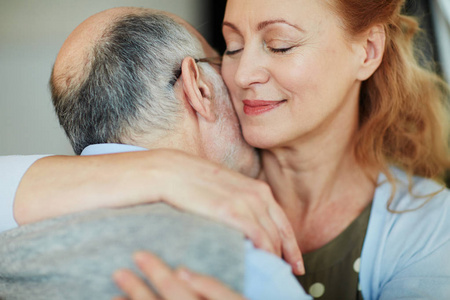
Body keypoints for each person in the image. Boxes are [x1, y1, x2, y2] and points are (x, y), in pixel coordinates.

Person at [1, 0, 450, 298]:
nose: (242, 72)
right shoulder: (202, 209)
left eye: (279, 44)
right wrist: (160, 172)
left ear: (368, 50)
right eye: (231, 46)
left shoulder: (429, 226)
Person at [0, 7, 307, 300]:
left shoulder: (11, 238)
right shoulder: (242, 264)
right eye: (221, 60)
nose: (240, 80)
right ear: (198, 88)